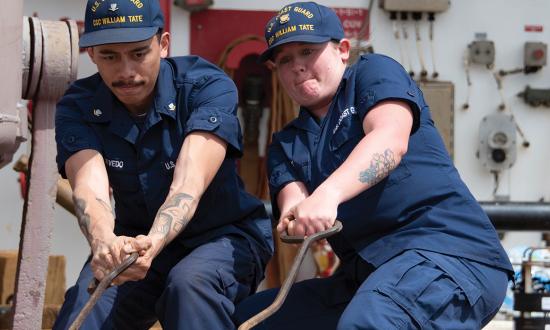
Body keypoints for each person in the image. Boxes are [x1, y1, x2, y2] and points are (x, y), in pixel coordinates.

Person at [233, 2, 514, 329]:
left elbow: (390, 140)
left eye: (308, 51)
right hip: (367, 277)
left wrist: (328, 195)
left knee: (368, 321)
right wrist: (296, 221)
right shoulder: (286, 144)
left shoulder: (373, 74)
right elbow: (293, 205)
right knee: (250, 319)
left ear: (342, 50)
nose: (297, 66)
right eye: (284, 60)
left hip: (448, 258)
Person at [52, 1, 273, 329]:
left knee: (189, 286)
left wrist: (153, 241)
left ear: (163, 44)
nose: (126, 71)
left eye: (139, 53)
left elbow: (189, 183)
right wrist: (104, 243)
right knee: (87, 304)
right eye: (110, 55)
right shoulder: (78, 105)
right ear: (92, 54)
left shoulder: (205, 86)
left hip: (223, 238)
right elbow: (90, 189)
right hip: (134, 241)